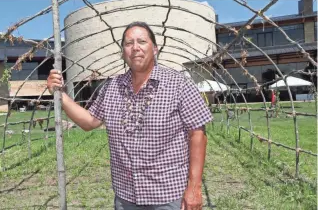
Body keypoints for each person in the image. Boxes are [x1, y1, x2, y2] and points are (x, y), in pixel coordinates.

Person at [47, 21, 213, 210]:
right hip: (126, 196)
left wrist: (194, 187)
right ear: (123, 52)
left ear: (155, 49)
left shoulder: (178, 84)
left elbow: (197, 134)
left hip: (168, 196)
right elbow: (89, 121)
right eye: (128, 43)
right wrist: (60, 94)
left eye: (141, 41)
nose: (135, 48)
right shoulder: (112, 87)